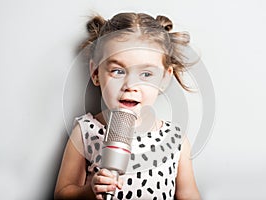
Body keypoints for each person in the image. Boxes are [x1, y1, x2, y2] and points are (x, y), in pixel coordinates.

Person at [54, 12, 201, 200]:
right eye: (118, 71)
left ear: (164, 78)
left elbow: (189, 195)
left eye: (146, 74)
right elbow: (62, 194)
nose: (130, 86)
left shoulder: (175, 140)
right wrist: (90, 191)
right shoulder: (85, 131)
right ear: (96, 73)